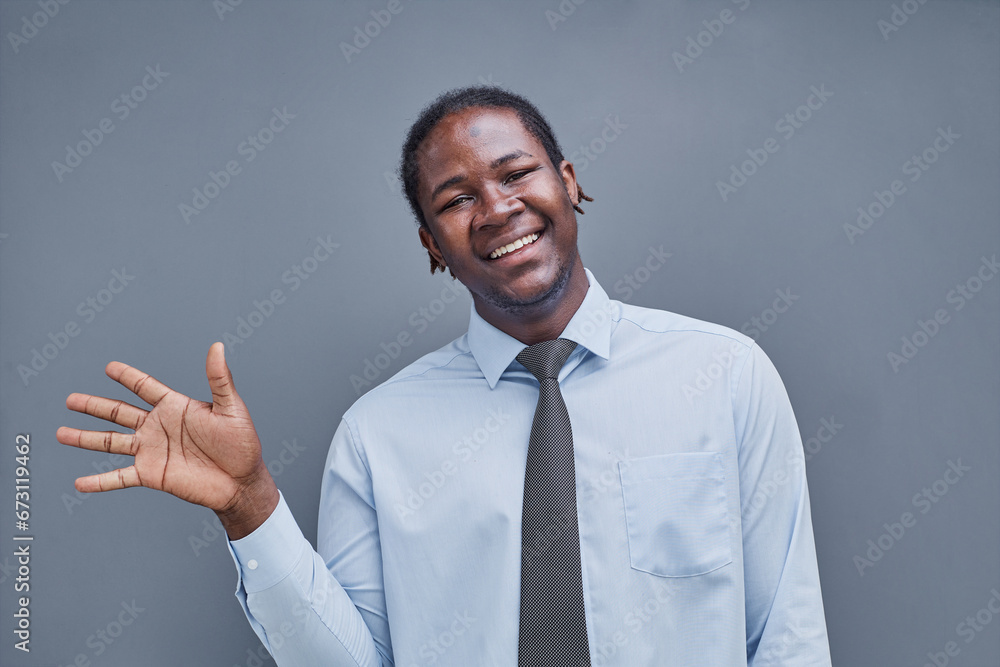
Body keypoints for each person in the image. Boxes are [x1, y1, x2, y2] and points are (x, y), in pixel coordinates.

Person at [58, 86, 832, 665]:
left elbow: (789, 635)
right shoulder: (378, 435)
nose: (495, 209)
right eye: (457, 200)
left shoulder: (725, 375)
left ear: (568, 181)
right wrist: (249, 504)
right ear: (432, 245)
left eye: (515, 173)